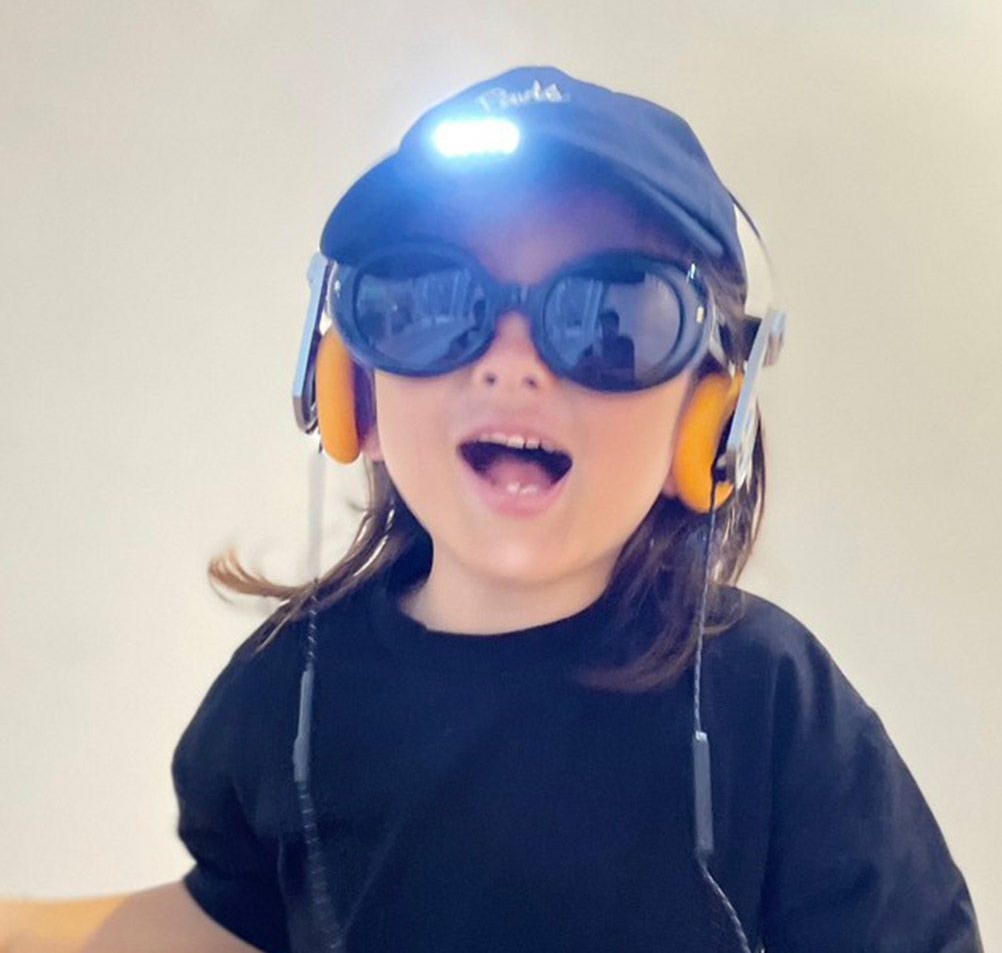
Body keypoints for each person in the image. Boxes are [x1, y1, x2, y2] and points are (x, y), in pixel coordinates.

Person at [0, 66, 983, 953]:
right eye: (432, 303)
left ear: (711, 415)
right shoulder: (290, 685)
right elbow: (236, 920)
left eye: (612, 316)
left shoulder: (768, 698)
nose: (512, 363)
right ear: (353, 389)